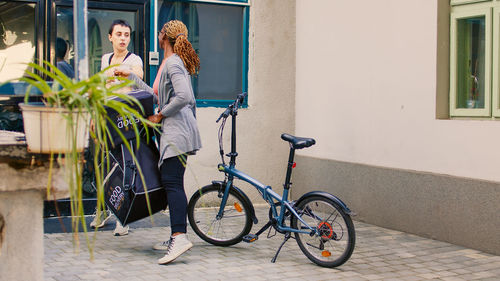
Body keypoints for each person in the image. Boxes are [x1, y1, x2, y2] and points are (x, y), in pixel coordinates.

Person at [115, 19, 201, 265]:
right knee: (171, 183)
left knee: (172, 183)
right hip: (173, 133)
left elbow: (184, 96)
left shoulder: (173, 62)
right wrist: (131, 76)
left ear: (165, 36)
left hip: (177, 133)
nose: (158, 34)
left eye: (160, 31)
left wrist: (160, 114)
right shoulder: (169, 62)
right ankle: (176, 233)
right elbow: (156, 95)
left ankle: (179, 236)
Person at [89, 19, 144, 236]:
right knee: (104, 165)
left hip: (126, 121)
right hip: (107, 117)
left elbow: (139, 75)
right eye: (119, 34)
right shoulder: (105, 58)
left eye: (127, 35)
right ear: (110, 37)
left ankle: (124, 217)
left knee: (125, 166)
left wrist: (122, 71)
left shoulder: (134, 59)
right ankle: (102, 210)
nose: (123, 38)